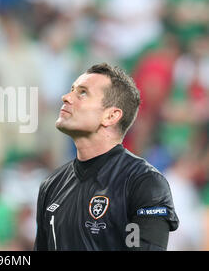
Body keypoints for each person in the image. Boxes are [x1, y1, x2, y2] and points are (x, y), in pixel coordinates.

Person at [34, 63, 179, 251]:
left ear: (111, 116)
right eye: (72, 90)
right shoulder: (51, 185)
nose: (66, 97)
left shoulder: (144, 182)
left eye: (83, 93)